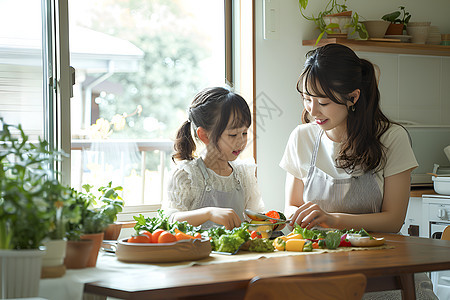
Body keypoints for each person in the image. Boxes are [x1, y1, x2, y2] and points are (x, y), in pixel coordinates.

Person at [280, 43, 418, 233]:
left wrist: (333, 220)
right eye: (306, 98)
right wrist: (296, 216)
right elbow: (291, 207)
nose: (312, 110)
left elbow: (393, 221)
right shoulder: (302, 137)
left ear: (353, 97)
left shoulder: (391, 138)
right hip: (314, 254)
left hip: (375, 256)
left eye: (323, 102)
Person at [162, 87, 264, 230]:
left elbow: (255, 218)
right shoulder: (187, 175)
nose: (241, 142)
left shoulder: (243, 174)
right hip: (197, 252)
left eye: (245, 133)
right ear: (205, 135)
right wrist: (208, 213)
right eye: (233, 135)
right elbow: (169, 220)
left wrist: (269, 224)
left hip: (238, 252)